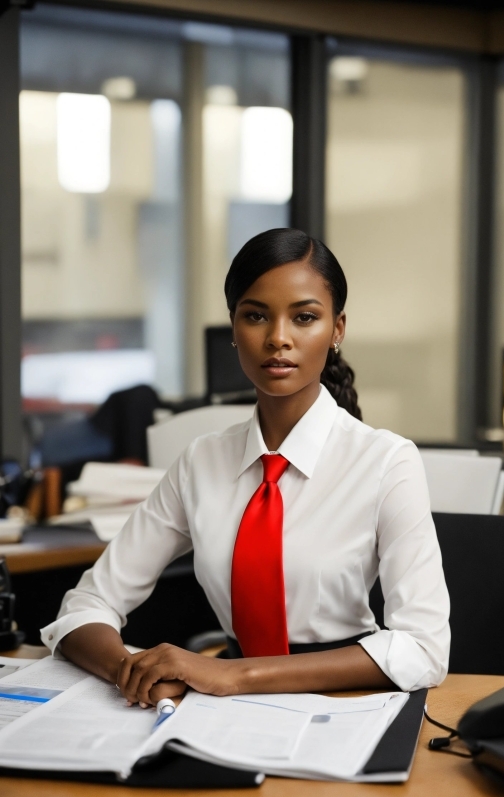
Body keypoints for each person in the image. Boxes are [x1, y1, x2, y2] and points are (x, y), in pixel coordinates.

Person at [41, 228, 450, 708]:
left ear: (337, 330)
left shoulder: (386, 462)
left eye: (304, 318)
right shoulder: (201, 462)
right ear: (234, 329)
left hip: (343, 702)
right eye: (256, 316)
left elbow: (423, 648)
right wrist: (133, 674)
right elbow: (85, 607)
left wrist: (233, 675)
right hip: (219, 706)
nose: (278, 339)